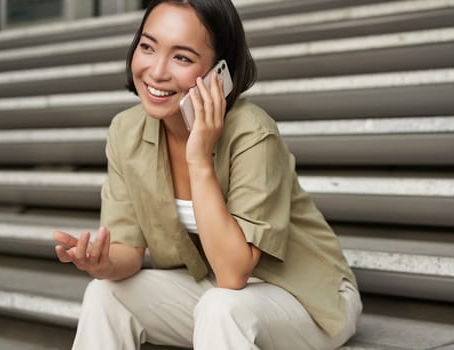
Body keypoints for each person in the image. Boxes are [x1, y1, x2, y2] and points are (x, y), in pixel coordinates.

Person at [52, 0, 361, 348]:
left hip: (307, 299)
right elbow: (128, 250)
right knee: (105, 293)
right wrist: (102, 262)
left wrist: (199, 159)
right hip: (219, 297)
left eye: (181, 57)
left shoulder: (252, 132)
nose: (156, 71)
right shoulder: (126, 131)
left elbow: (232, 273)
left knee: (221, 307)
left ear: (219, 72)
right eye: (148, 47)